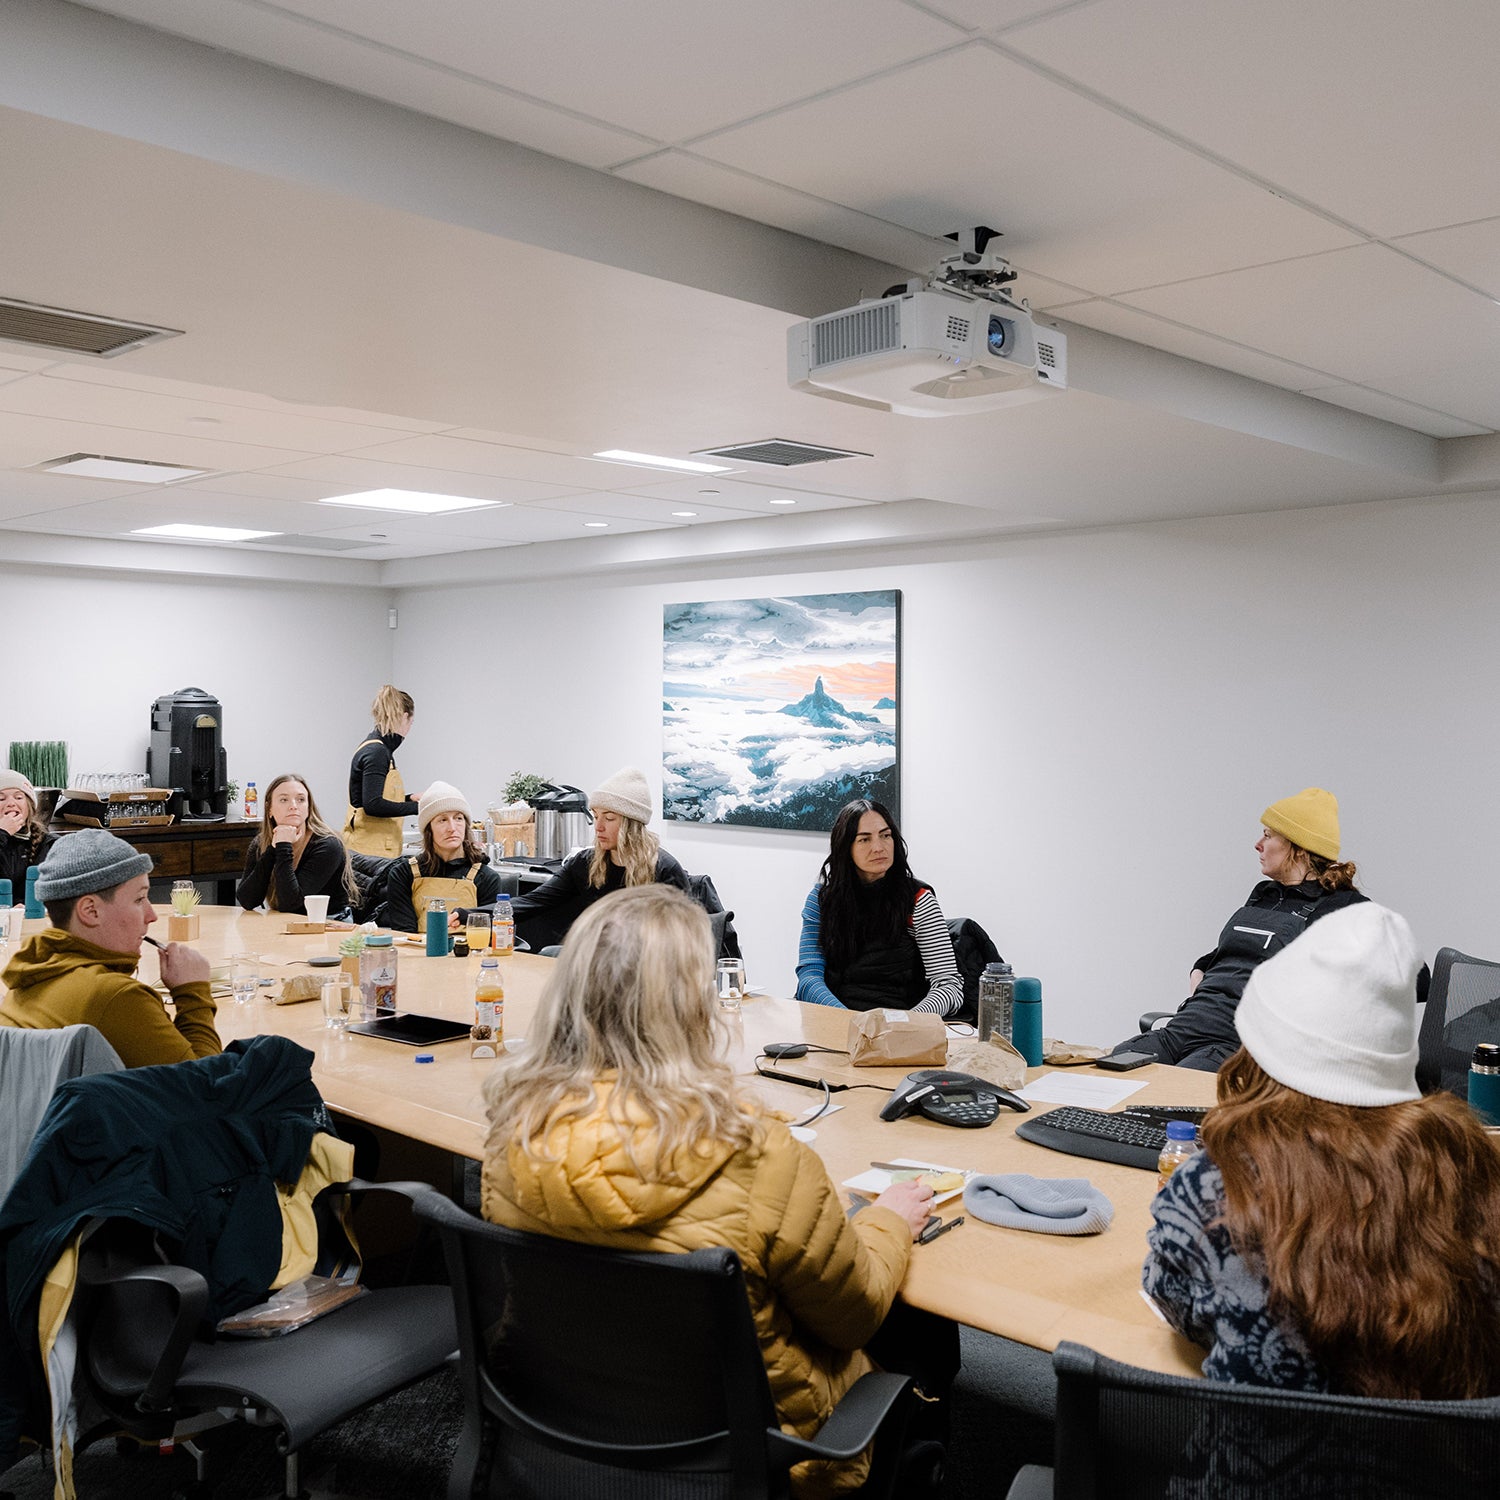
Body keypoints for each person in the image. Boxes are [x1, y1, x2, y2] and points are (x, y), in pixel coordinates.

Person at [481, 885, 934, 1498]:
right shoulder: (762, 1159)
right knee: (923, 1341)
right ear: (693, 1010)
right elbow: (853, 1318)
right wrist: (889, 1222)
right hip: (762, 1453)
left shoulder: (514, 1136)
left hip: (556, 1432)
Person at [1143, 902, 1500, 1399]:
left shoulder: (1216, 1187)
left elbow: (1171, 1296)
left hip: (1256, 1477)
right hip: (1446, 1473)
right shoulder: (1474, 1168)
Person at [1115, 787, 1377, 1071]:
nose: (1257, 844)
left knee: (1178, 1089)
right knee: (1110, 1068)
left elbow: (1415, 979)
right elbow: (1224, 956)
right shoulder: (1263, 894)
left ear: (1298, 848)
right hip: (1184, 1026)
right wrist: (1199, 972)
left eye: (1267, 835)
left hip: (1234, 1045)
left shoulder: (1341, 905)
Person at [0, 829, 219, 1068]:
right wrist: (192, 991)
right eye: (139, 899)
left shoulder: (32, 973)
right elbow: (209, 1089)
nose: (152, 915)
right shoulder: (116, 998)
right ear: (90, 911)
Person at [795, 798, 962, 1016]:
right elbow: (809, 976)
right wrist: (849, 1021)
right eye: (864, 839)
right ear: (846, 847)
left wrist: (906, 1021)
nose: (878, 847)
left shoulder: (919, 900)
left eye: (885, 836)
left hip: (900, 1030)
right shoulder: (821, 899)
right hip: (836, 1023)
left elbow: (948, 986)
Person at [510, 767, 690, 952]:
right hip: (597, 957)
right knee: (550, 953)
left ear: (632, 824)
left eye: (609, 818)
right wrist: (481, 916)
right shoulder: (585, 863)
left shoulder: (664, 869)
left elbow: (682, 939)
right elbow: (533, 901)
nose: (598, 827)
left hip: (644, 964)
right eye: (595, 816)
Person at [381, 782, 502, 932]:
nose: (452, 828)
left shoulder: (486, 878)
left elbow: (487, 936)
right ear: (428, 829)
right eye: (442, 820)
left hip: (469, 954)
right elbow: (404, 934)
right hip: (416, 952)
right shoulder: (403, 874)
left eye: (458, 818)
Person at [236, 772, 358, 916]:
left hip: (329, 923)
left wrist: (283, 846)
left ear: (308, 808)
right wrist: (272, 850)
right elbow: (247, 901)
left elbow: (291, 904)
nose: (293, 806)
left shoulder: (328, 845)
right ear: (269, 809)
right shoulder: (260, 843)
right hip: (284, 923)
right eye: (284, 800)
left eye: (300, 800)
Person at [342, 685, 421, 856]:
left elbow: (370, 797)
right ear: (405, 717)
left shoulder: (379, 750)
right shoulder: (377, 753)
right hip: (368, 853)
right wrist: (418, 808)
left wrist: (409, 798)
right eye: (411, 722)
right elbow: (373, 805)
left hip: (377, 850)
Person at [0, 771, 57, 900]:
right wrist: (2, 833)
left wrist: (23, 907)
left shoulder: (48, 843)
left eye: (19, 797)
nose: (11, 803)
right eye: (1, 799)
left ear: (29, 806)